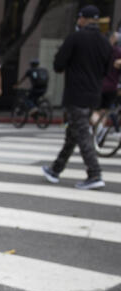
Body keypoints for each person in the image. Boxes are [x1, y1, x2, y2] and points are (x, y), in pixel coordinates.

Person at [41, 5, 113, 190]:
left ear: (83, 19)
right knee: (73, 133)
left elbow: (58, 64)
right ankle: (56, 169)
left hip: (76, 93)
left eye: (79, 18)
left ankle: (94, 173)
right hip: (94, 94)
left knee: (81, 134)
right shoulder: (105, 42)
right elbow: (107, 70)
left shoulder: (75, 38)